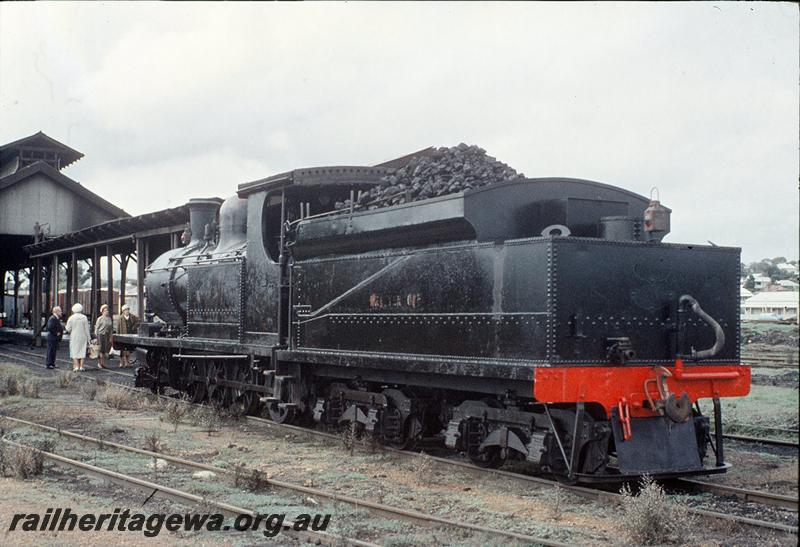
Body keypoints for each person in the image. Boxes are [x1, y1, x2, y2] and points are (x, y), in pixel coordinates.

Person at [65, 303, 90, 371]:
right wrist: (89, 339)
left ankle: (76, 366)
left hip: (74, 337)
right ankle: (81, 366)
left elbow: (68, 329)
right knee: (82, 351)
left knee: (74, 351)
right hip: (83, 337)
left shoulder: (71, 318)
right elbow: (87, 329)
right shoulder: (84, 318)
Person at [94, 304, 113, 369]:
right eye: (105, 310)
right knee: (100, 349)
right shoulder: (99, 319)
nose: (106, 311)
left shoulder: (109, 318)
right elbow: (96, 328)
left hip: (106, 335)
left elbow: (111, 328)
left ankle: (102, 362)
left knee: (105, 350)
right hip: (100, 335)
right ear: (102, 311)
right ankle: (100, 363)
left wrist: (111, 336)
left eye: (107, 310)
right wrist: (96, 337)